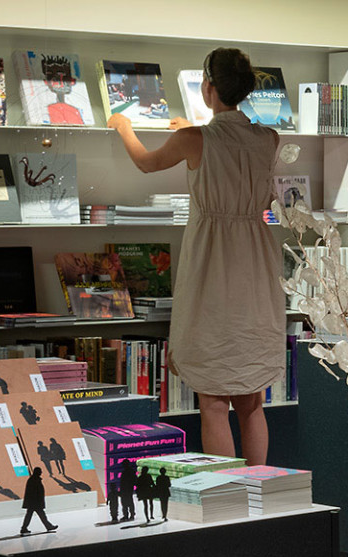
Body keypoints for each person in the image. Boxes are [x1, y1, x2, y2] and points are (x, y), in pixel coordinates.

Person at [109, 47, 282, 466]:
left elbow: (147, 163)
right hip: (256, 263)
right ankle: (258, 488)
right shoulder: (268, 138)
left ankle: (225, 491)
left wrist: (122, 127)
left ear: (208, 88)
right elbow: (228, 148)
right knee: (251, 400)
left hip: (212, 265)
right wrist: (194, 130)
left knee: (213, 401)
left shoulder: (194, 139)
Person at [20, 466, 57, 535]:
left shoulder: (33, 479)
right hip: (35, 502)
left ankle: (24, 528)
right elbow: (35, 492)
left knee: (30, 515)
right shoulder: (35, 480)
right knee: (41, 515)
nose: (41, 472)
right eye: (40, 471)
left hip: (33, 502)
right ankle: (48, 526)